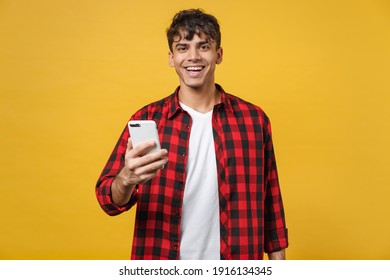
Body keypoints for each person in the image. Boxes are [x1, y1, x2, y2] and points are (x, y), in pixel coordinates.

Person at [96, 9, 288, 260]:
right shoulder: (147, 119)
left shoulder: (253, 120)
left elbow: (271, 202)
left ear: (218, 54)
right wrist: (127, 177)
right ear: (171, 57)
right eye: (183, 48)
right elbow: (108, 201)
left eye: (204, 46)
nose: (193, 57)